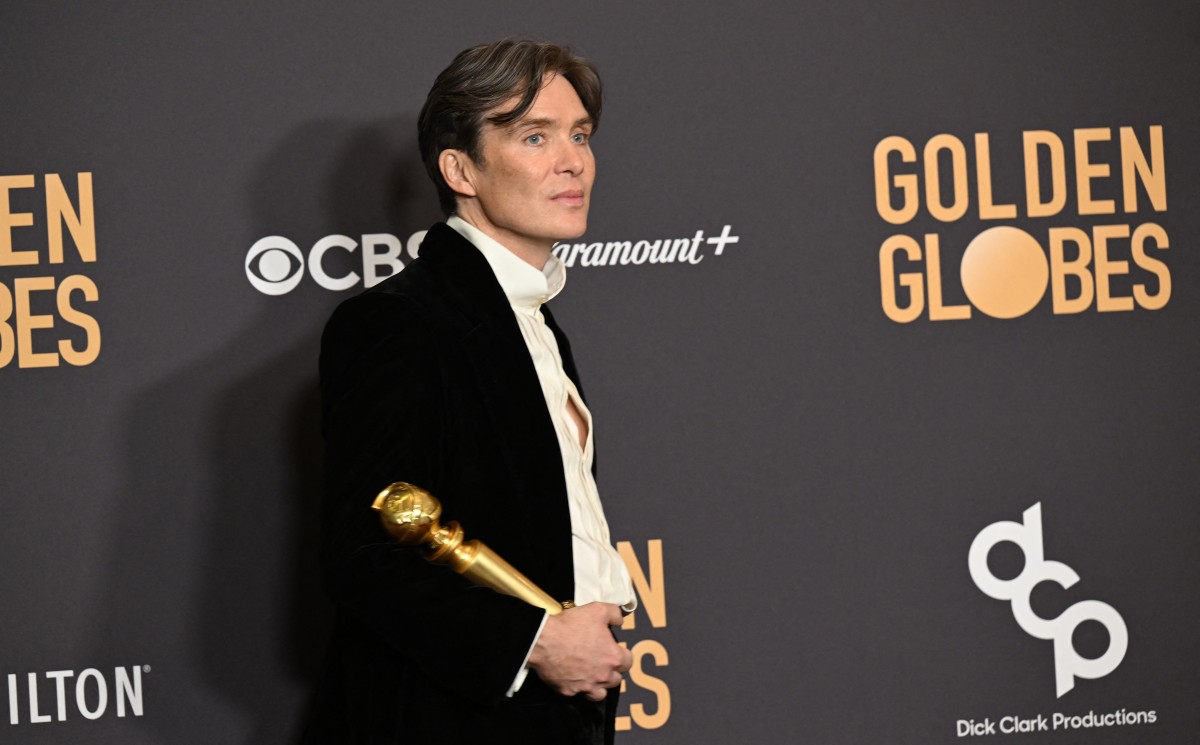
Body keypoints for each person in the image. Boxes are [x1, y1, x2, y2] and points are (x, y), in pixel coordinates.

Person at [302, 40, 636, 744]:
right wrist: (535, 643)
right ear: (460, 170)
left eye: (579, 135)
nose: (572, 161)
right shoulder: (399, 323)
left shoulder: (532, 319)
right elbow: (363, 555)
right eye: (535, 137)